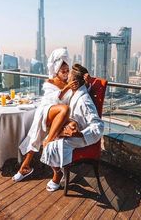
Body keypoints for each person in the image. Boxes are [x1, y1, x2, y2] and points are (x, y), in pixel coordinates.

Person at [12, 48, 79, 182]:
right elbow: (53, 100)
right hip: (47, 111)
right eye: (62, 71)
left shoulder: (71, 82)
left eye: (67, 71)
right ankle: (48, 142)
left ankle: (26, 167)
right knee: (64, 109)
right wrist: (66, 88)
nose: (66, 74)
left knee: (44, 135)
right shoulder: (51, 82)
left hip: (59, 117)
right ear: (56, 71)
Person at [40, 63, 104, 192]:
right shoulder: (77, 92)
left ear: (75, 81)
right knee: (47, 139)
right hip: (72, 130)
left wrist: (79, 134)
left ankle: (57, 175)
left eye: (68, 75)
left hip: (82, 135)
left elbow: (98, 125)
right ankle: (58, 171)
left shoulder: (84, 100)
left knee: (52, 145)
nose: (66, 76)